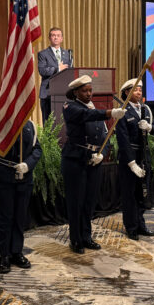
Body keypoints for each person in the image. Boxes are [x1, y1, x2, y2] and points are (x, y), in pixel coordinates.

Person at [61, 75, 125, 253]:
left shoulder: (93, 107)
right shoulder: (70, 107)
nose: (89, 94)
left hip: (93, 161)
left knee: (89, 202)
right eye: (84, 91)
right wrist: (110, 112)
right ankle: (76, 240)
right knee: (76, 202)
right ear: (75, 92)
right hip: (75, 160)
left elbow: (104, 136)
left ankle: (86, 237)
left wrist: (101, 154)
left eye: (90, 90)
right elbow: (85, 115)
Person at [0, 88, 42, 273]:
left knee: (19, 217)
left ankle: (17, 252)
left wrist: (28, 164)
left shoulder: (29, 124)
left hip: (23, 176)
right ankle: (4, 255)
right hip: (2, 174)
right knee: (4, 217)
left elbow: (37, 149)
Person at [115, 78, 154, 239]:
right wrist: (131, 163)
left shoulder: (145, 110)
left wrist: (150, 128)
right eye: (135, 90)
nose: (139, 93)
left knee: (142, 194)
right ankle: (131, 227)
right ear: (127, 92)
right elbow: (123, 140)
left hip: (143, 156)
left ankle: (141, 224)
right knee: (129, 195)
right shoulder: (123, 112)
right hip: (129, 159)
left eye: (140, 90)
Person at [37, 27, 73, 120]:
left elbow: (70, 71)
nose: (56, 38)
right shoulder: (43, 54)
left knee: (63, 122)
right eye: (53, 35)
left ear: (62, 38)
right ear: (49, 38)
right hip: (48, 93)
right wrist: (58, 68)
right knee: (48, 123)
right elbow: (42, 71)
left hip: (64, 93)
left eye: (58, 36)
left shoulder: (67, 54)